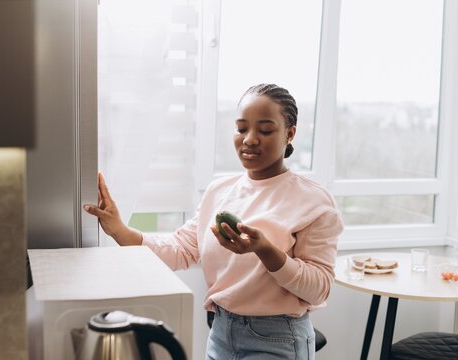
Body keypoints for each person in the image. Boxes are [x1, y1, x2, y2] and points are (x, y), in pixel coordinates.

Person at [84, 83, 344, 359]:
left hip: (278, 338)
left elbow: (319, 290)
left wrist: (265, 250)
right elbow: (180, 249)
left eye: (265, 130)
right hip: (221, 333)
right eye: (242, 128)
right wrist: (119, 231)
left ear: (289, 134)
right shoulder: (219, 192)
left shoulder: (313, 201)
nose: (250, 139)